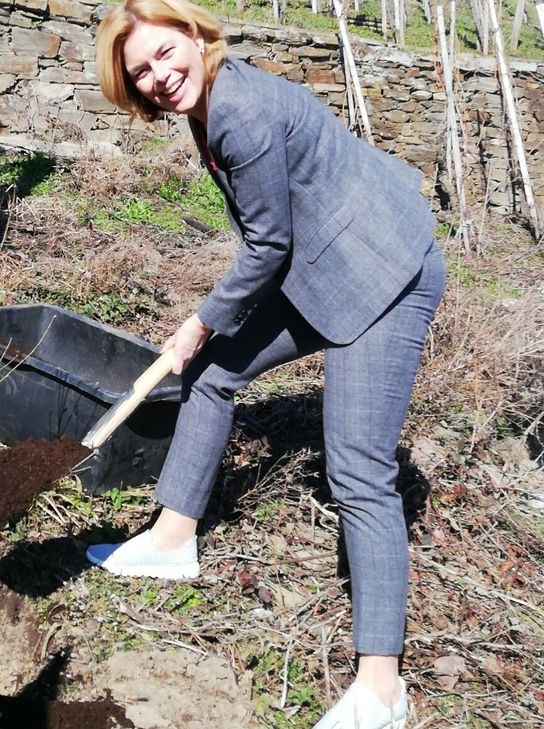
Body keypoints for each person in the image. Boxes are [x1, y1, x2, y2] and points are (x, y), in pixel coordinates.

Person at [84, 1, 445, 727]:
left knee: (358, 470)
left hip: (383, 271)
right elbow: (276, 239)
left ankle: (383, 690)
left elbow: (267, 246)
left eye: (163, 54)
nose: (159, 76)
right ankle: (171, 539)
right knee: (214, 372)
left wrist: (197, 321)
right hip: (325, 262)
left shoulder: (237, 111)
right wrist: (208, 337)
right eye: (141, 71)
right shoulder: (206, 99)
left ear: (193, 33)